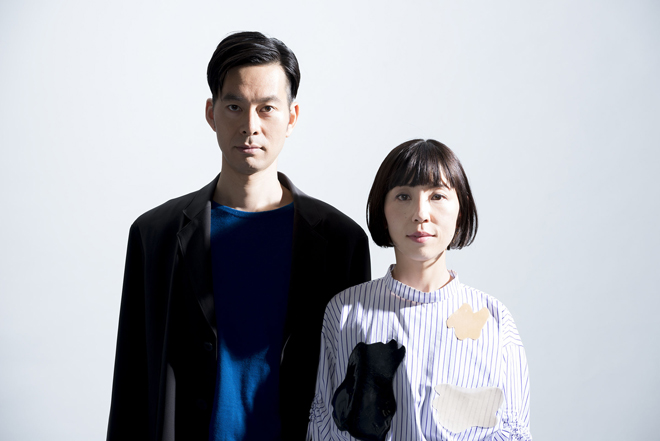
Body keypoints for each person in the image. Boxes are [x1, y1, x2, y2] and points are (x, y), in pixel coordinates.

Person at [107, 31, 371, 441]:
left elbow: (354, 390)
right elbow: (132, 385)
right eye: (234, 106)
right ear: (211, 113)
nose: (251, 126)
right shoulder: (155, 235)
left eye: (267, 108)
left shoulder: (340, 242)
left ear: (291, 117)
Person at [307, 139, 531, 440]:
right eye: (403, 196)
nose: (420, 213)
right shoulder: (346, 311)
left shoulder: (495, 319)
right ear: (382, 211)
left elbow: (515, 432)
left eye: (437, 196)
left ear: (461, 209)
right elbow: (322, 425)